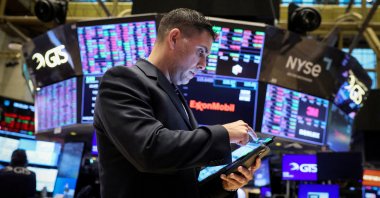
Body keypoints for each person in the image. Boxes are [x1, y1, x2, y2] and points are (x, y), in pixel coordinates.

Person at [94, 8, 261, 198]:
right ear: (174, 38)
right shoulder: (123, 80)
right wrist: (223, 134)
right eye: (201, 52)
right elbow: (150, 151)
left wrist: (226, 185)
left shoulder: (176, 96)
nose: (203, 64)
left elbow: (189, 182)